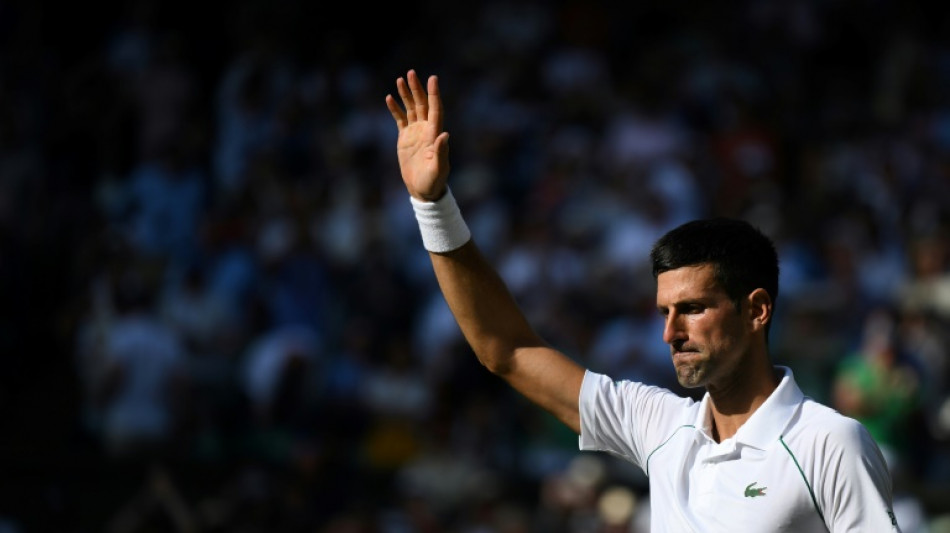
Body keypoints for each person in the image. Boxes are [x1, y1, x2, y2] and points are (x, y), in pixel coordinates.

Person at [384, 69, 901, 532]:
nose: (670, 334)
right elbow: (507, 350)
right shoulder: (660, 426)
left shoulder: (831, 443)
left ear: (757, 310)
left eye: (694, 309)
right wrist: (433, 205)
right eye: (664, 312)